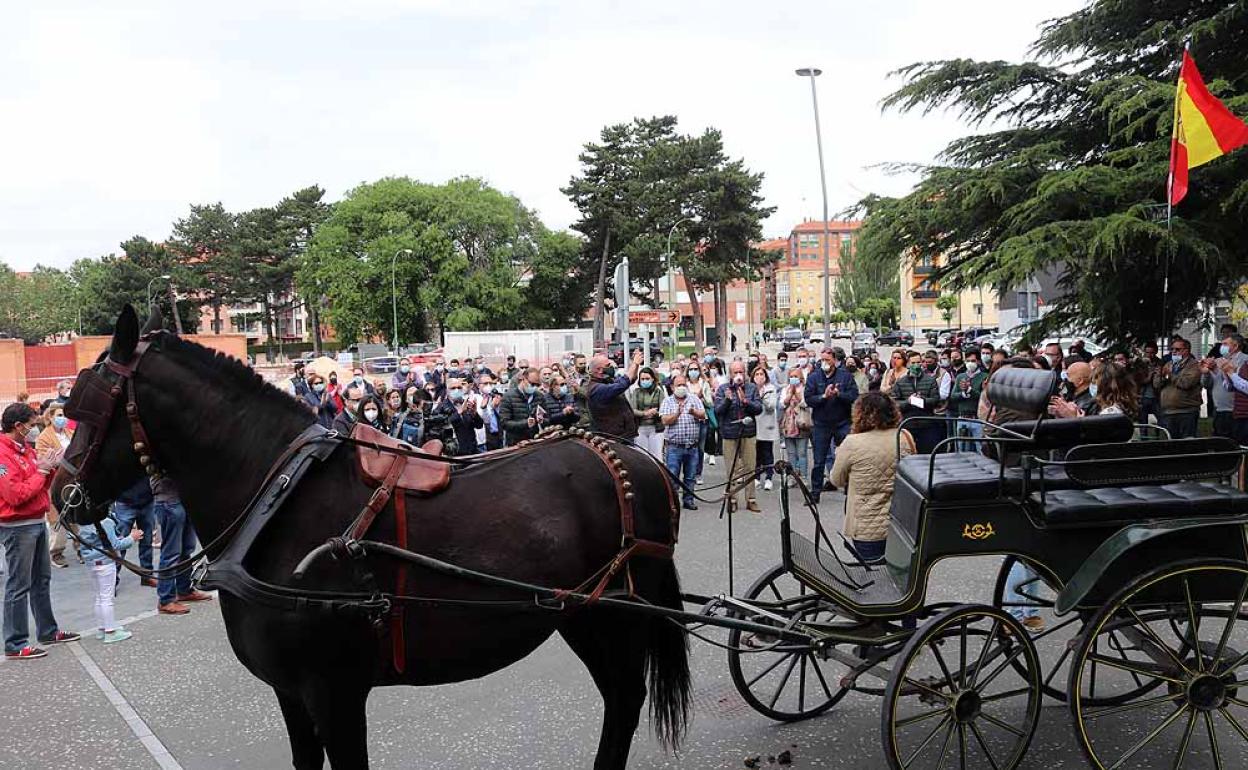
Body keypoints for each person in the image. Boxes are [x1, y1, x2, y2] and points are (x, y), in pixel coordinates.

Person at [1, 402, 80, 659]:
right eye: (31, 424)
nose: (34, 429)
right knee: (19, 585)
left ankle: (47, 630)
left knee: (41, 581)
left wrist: (48, 469)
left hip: (36, 521)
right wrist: (41, 472)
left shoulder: (25, 449)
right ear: (18, 426)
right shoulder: (3, 454)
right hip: (17, 526)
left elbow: (36, 484)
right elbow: (15, 495)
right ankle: (15, 643)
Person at [830, 392, 915, 564]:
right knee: (898, 579)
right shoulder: (904, 437)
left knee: (872, 579)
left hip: (866, 526)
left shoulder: (852, 443)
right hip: (901, 525)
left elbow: (836, 480)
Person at [150, 475, 212, 615]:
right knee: (171, 552)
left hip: (182, 498)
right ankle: (166, 600)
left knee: (187, 548)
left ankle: (184, 590)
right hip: (169, 500)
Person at [804, 348, 859, 503]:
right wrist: (823, 396)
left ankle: (850, 491)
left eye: (828, 360)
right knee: (819, 460)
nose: (825, 363)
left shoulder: (845, 376)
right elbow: (809, 398)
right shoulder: (814, 377)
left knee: (847, 457)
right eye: (822, 360)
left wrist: (838, 394)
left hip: (842, 422)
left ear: (834, 360)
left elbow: (854, 396)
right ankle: (815, 493)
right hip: (821, 424)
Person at [76, 514, 140, 643]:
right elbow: (115, 545)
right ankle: (110, 631)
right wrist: (132, 538)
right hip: (106, 562)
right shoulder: (106, 522)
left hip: (91, 563)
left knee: (99, 597)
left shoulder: (82, 522)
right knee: (107, 598)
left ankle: (102, 628)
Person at [714, 360, 763, 513]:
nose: (738, 375)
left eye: (740, 372)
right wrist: (728, 400)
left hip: (748, 432)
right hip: (729, 433)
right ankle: (732, 498)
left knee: (749, 467)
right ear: (730, 374)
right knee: (732, 469)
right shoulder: (723, 389)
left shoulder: (752, 388)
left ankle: (751, 499)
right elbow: (718, 411)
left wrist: (746, 401)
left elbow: (758, 409)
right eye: (735, 372)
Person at [35, 405, 74, 568]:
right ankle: (56, 552)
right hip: (55, 482)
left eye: (64, 415)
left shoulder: (70, 433)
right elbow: (42, 458)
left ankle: (81, 547)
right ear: (50, 418)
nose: (62, 418)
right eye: (59, 415)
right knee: (56, 517)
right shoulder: (43, 437)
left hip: (72, 481)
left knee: (75, 514)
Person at [660, 374, 706, 511]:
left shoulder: (694, 399)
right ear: (672, 387)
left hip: (692, 446)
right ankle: (673, 502)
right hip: (675, 446)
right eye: (678, 385)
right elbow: (664, 420)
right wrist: (677, 414)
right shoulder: (668, 401)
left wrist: (693, 412)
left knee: (690, 476)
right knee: (673, 476)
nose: (681, 387)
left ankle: (688, 500)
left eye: (683, 385)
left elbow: (703, 415)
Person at [891, 352, 942, 454]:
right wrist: (908, 402)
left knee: (927, 453)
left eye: (918, 362)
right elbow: (894, 403)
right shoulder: (900, 382)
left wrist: (921, 400)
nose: (916, 365)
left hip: (926, 423)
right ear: (908, 364)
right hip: (907, 424)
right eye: (913, 362)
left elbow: (936, 400)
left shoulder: (930, 380)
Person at [585, 351, 642, 441]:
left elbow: (630, 380)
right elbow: (622, 384)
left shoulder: (607, 381)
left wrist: (636, 365)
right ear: (599, 370)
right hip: (613, 438)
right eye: (608, 365)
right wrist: (634, 363)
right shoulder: (596, 389)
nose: (611, 367)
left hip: (624, 436)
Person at [1152, 337, 1202, 439]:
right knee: (1171, 443)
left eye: (1177, 349)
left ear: (1186, 350)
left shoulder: (1194, 365)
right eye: (1172, 349)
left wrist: (1170, 375)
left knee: (1187, 442)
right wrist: (1161, 375)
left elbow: (1186, 383)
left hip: (1186, 412)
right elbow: (1156, 384)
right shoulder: (1168, 364)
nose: (1174, 352)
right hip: (1168, 412)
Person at [112, 476, 157, 587]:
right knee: (120, 544)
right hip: (125, 501)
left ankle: (147, 576)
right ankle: (112, 580)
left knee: (147, 541)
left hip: (146, 501)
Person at [500, 367, 549, 445]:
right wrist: (525, 423)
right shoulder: (508, 397)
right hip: (516, 443)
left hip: (535, 440)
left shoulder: (539, 396)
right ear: (523, 379)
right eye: (532, 384)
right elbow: (504, 423)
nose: (534, 387)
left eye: (537, 385)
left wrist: (542, 420)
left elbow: (548, 418)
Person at [780, 367, 812, 485]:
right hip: (788, 424)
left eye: (796, 376)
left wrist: (797, 395)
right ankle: (792, 476)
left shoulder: (805, 389)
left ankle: (803, 476)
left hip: (801, 423)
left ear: (801, 378)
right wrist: (790, 394)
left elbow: (806, 403)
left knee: (802, 452)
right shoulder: (785, 389)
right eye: (791, 376)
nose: (793, 379)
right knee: (791, 453)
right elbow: (782, 404)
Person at [948, 355, 988, 452]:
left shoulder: (984, 376)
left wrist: (970, 390)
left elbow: (983, 397)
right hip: (962, 418)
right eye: (968, 360)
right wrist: (963, 393)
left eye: (973, 360)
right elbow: (953, 396)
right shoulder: (960, 377)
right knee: (961, 449)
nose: (970, 363)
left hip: (978, 419)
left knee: (981, 449)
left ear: (978, 361)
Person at [438, 378, 484, 455]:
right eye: (453, 388)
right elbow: (442, 427)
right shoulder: (441, 407)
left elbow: (479, 425)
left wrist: (474, 414)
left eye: (459, 388)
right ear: (447, 391)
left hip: (472, 451)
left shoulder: (467, 403)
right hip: (456, 453)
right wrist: (458, 413)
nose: (457, 390)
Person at [752, 366, 779, 492]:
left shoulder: (770, 389)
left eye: (761, 374)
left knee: (767, 452)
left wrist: (762, 396)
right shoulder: (751, 389)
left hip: (767, 425)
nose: (759, 377)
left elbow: (771, 406)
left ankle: (769, 476)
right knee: (756, 453)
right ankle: (756, 476)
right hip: (755, 425)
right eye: (756, 374)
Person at [630, 367, 665, 460]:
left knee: (656, 457)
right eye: (642, 379)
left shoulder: (659, 391)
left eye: (647, 379)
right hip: (640, 427)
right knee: (641, 456)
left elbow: (663, 409)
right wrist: (645, 413)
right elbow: (632, 410)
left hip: (656, 427)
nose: (645, 381)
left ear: (652, 379)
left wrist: (655, 412)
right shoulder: (636, 392)